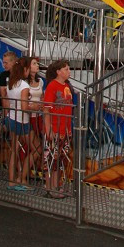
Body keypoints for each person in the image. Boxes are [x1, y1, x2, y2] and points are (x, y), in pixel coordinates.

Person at [42, 60, 73, 197]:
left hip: (64, 129)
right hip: (55, 127)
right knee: (51, 159)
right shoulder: (52, 86)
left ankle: (56, 185)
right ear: (58, 72)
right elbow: (46, 109)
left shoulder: (66, 86)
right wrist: (48, 129)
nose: (68, 71)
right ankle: (50, 187)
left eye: (68, 69)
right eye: (66, 69)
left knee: (59, 159)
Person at [6, 57, 31, 191]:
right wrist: (35, 107)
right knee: (34, 148)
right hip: (22, 120)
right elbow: (24, 107)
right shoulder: (24, 85)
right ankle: (21, 177)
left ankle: (12, 180)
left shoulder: (11, 83)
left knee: (14, 150)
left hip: (12, 117)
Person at [27, 56, 45, 179]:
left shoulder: (40, 81)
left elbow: (42, 96)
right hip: (28, 116)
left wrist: (41, 105)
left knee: (41, 144)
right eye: (34, 63)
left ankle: (38, 168)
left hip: (38, 115)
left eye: (37, 63)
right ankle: (25, 172)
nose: (37, 65)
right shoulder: (24, 83)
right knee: (34, 146)